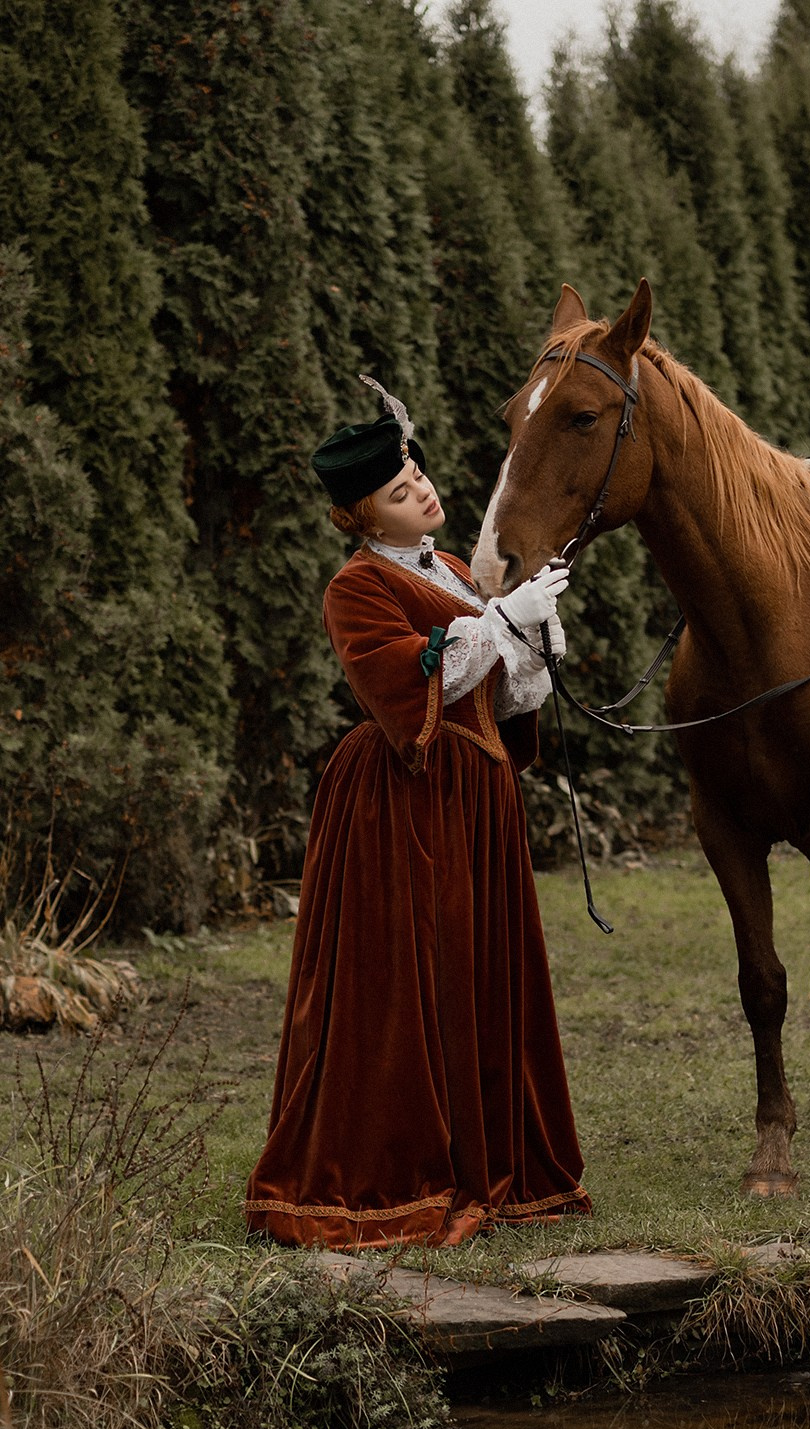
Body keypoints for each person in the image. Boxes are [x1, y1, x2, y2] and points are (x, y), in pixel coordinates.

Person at [244, 384, 591, 1248]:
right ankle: (395, 1170)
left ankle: (492, 1162)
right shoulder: (354, 588)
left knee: (480, 972)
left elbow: (505, 694)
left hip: (477, 797)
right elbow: (403, 683)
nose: (424, 490)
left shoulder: (448, 572)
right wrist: (501, 619)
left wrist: (534, 633)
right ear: (362, 517)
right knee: (406, 983)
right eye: (400, 491)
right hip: (400, 802)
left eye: (418, 474)